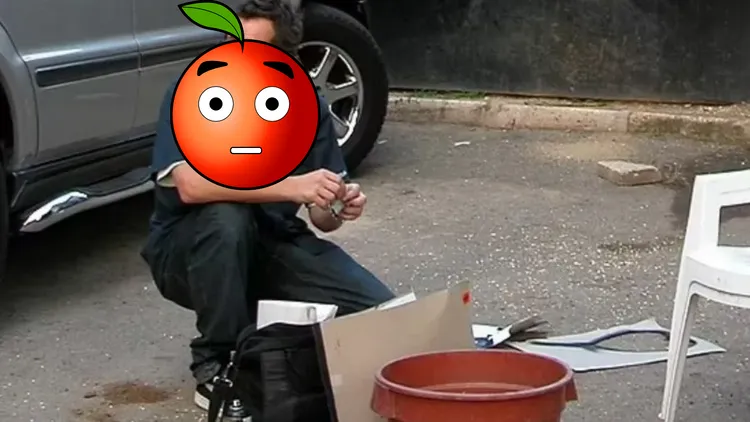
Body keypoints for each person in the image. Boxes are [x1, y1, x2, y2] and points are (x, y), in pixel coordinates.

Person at [139, 0, 395, 414]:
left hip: (274, 242)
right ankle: (217, 362)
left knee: (379, 313)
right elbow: (189, 186)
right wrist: (292, 186)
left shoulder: (306, 103)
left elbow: (322, 217)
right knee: (227, 218)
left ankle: (273, 339)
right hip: (190, 250)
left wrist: (337, 204)